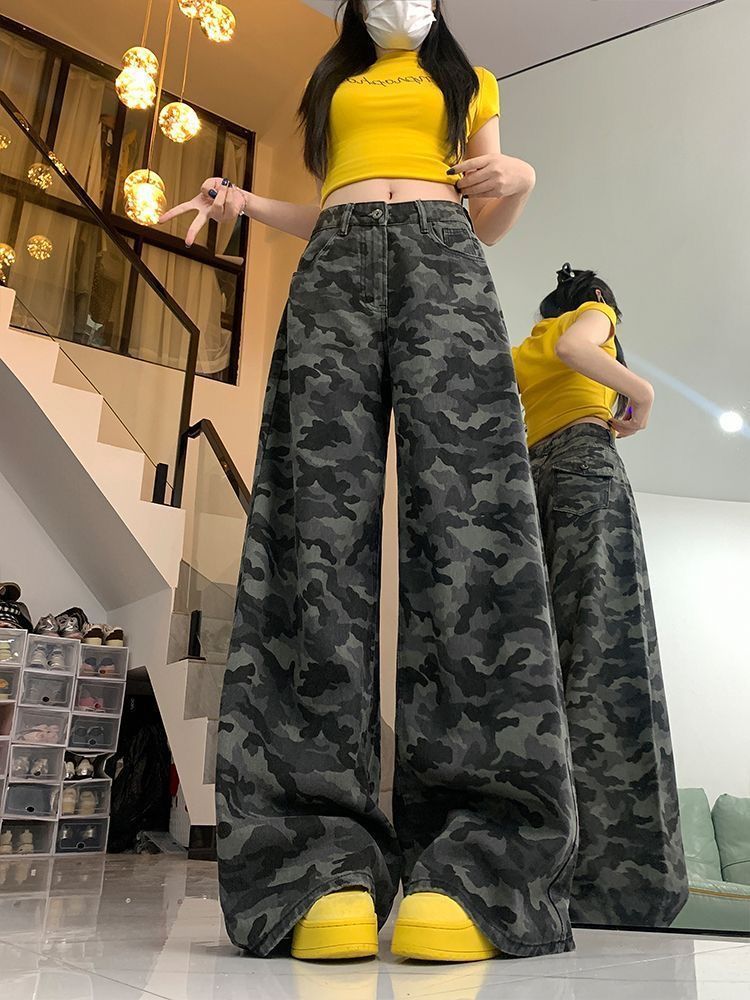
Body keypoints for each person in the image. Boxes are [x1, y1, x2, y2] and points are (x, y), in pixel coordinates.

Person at [161, 0, 578, 964]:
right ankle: (311, 858)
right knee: (312, 531)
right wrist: (245, 204)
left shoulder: (471, 83)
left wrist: (519, 179)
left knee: (473, 527)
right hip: (333, 270)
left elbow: (489, 219)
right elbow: (330, 204)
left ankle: (483, 860)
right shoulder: (335, 82)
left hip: (448, 263)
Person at [512, 263, 689, 928]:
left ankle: (543, 865)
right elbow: (576, 348)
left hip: (533, 484)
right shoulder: (593, 314)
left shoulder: (522, 349)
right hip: (587, 468)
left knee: (547, 662)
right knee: (608, 651)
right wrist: (641, 394)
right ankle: (618, 881)